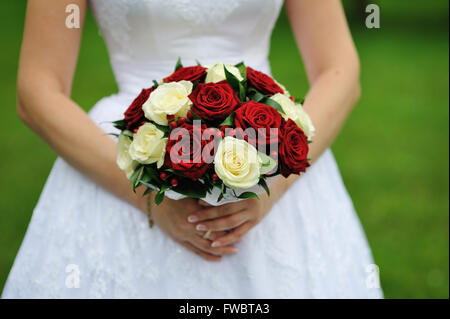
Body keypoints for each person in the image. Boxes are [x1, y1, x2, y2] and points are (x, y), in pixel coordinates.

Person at [2, 0, 382, 298]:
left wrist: (275, 183)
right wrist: (147, 197)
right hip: (126, 157)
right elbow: (37, 90)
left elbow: (340, 69)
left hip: (268, 151)